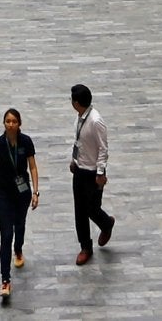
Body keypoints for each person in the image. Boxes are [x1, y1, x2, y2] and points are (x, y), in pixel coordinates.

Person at [0, 106, 41, 304]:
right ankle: (5, 279)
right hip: (3, 192)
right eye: (8, 121)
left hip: (22, 191)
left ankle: (19, 248)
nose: (11, 124)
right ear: (4, 123)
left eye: (14, 121)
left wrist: (35, 191)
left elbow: (32, 166)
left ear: (19, 124)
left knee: (20, 224)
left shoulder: (26, 142)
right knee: (6, 234)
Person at [67, 82, 114, 264]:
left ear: (77, 102)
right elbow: (79, 142)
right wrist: (74, 160)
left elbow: (103, 148)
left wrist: (100, 173)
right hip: (80, 168)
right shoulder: (80, 117)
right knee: (80, 210)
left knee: (92, 208)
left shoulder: (95, 121)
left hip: (93, 172)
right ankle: (85, 246)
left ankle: (106, 223)